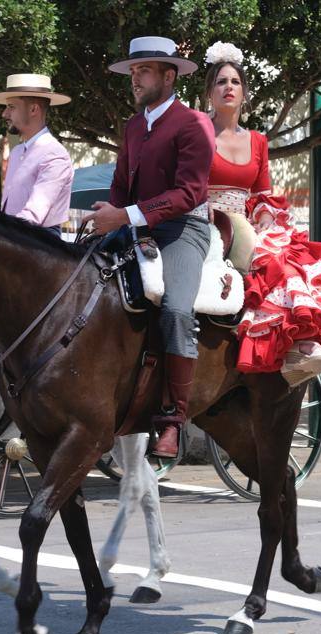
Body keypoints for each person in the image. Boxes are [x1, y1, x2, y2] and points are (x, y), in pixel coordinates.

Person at [200, 42, 321, 386]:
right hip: (204, 220)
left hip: (243, 223)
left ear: (245, 93)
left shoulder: (258, 141)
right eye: (221, 82)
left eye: (235, 82)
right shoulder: (198, 132)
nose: (229, 87)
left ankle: (300, 344)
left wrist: (264, 217)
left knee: (293, 256)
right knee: (271, 258)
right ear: (209, 92)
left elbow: (263, 193)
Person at [84, 36, 214, 459]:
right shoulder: (134, 126)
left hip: (183, 230)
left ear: (168, 75)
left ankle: (173, 420)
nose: (134, 79)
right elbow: (122, 187)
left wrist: (124, 216)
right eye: (133, 72)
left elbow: (190, 193)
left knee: (175, 309)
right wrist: (110, 213)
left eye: (143, 71)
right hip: (136, 227)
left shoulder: (193, 123)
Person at [0, 73, 74, 239]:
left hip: (41, 247)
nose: (4, 114)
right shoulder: (17, 152)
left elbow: (33, 215)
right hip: (13, 239)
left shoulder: (54, 154)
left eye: (11, 107)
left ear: (34, 109)